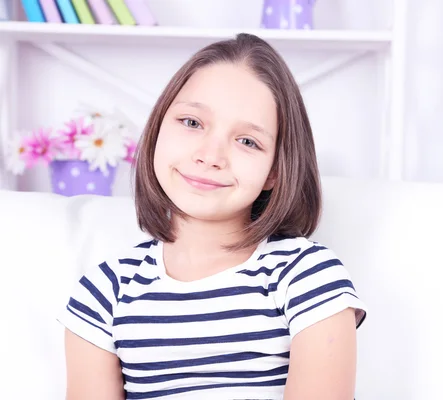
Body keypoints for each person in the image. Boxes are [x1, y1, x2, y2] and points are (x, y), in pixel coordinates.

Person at [58, 33, 367, 400]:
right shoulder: (104, 293)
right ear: (157, 131)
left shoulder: (306, 277)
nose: (210, 155)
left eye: (247, 141)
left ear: (275, 172)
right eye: (191, 122)